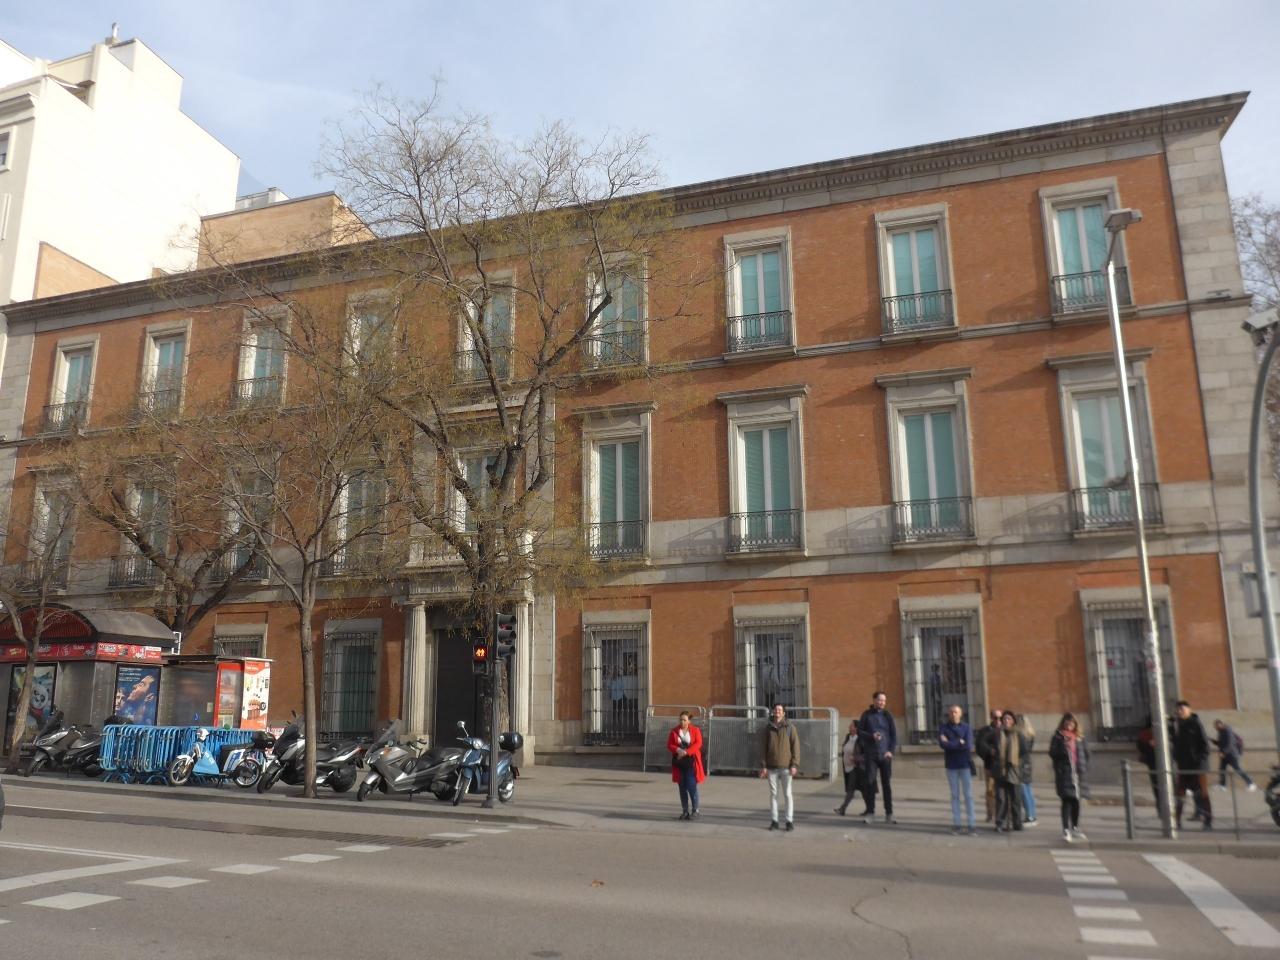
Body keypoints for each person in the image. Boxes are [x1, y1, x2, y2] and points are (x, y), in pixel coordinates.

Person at [857, 690, 898, 825]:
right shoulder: (866, 715)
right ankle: (870, 813)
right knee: (870, 783)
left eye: (884, 701)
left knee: (887, 785)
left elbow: (893, 735)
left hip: (885, 755)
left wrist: (890, 751)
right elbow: (859, 732)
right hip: (871, 755)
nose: (882, 703)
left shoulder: (888, 715)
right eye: (880, 700)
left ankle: (889, 814)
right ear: (874, 700)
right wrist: (871, 736)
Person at [1171, 700, 1212, 830]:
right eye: (1178, 710)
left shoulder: (1196, 724)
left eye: (1182, 709)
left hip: (1197, 767)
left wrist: (1200, 762)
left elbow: (1205, 746)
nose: (1179, 712)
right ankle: (1176, 822)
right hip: (1183, 766)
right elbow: (1175, 744)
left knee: (1202, 794)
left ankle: (1208, 821)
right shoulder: (1177, 725)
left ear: (1189, 710)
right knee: (1180, 795)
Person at [1049, 712, 1089, 843]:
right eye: (1067, 723)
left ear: (1075, 724)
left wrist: (1084, 767)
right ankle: (1066, 829)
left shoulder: (1079, 737)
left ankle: (1075, 827)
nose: (1069, 725)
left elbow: (1086, 754)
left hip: (1078, 773)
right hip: (1065, 773)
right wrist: (1063, 747)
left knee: (1076, 801)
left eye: (1071, 723)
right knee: (1066, 801)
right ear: (1063, 723)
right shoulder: (1058, 737)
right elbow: (1052, 753)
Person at [760, 702, 800, 831]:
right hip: (771, 767)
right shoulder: (768, 728)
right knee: (773, 794)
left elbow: (796, 747)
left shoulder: (790, 728)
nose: (777, 711)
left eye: (780, 710)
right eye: (776, 709)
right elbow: (763, 748)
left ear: (784, 713)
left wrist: (794, 764)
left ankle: (789, 821)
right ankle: (774, 821)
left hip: (786, 767)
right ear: (773, 712)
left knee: (787, 794)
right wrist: (763, 765)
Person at [938, 703, 975, 835]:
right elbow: (943, 745)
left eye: (956, 712)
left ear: (961, 714)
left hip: (965, 764)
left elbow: (968, 745)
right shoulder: (943, 728)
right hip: (951, 765)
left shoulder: (967, 727)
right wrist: (959, 742)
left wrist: (951, 743)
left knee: (968, 795)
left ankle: (971, 824)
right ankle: (957, 823)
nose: (953, 714)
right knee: (954, 795)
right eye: (951, 712)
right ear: (948, 714)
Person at [668, 711, 705, 820]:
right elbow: (669, 744)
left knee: (691, 785)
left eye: (684, 720)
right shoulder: (674, 731)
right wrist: (677, 749)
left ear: (689, 721)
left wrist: (687, 752)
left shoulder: (695, 730)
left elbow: (698, 743)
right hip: (679, 762)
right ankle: (685, 811)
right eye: (680, 719)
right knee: (682, 787)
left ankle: (695, 810)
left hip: (691, 762)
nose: (682, 722)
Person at [994, 710, 1026, 833]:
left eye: (1009, 719)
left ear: (1013, 721)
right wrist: (991, 753)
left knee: (1015, 798)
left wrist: (1018, 762)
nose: (1006, 721)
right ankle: (1000, 822)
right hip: (1000, 770)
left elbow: (1025, 751)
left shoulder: (1018, 734)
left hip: (1014, 770)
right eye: (1005, 719)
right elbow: (983, 744)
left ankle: (1017, 823)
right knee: (1001, 798)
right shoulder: (997, 733)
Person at [834, 719, 870, 817]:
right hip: (848, 768)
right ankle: (869, 809)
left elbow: (866, 754)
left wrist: (856, 758)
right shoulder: (848, 737)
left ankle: (842, 809)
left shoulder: (861, 739)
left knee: (851, 789)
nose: (849, 727)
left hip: (857, 767)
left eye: (851, 726)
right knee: (862, 790)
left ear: (856, 728)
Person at [975, 709, 1004, 823]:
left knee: (1002, 792)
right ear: (991, 718)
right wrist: (988, 753)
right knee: (990, 790)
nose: (998, 720)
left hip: (1004, 766)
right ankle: (990, 814)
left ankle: (1001, 814)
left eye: (1000, 718)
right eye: (995, 718)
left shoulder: (1005, 729)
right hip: (990, 765)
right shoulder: (985, 731)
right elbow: (979, 747)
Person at [1213, 718, 1257, 792]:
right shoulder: (1220, 732)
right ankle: (1222, 786)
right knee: (1222, 770)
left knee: (1238, 770)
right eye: (1215, 726)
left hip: (1232, 755)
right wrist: (1214, 742)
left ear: (1221, 724)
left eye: (1216, 726)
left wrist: (1223, 752)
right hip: (1225, 756)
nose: (1215, 728)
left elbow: (1230, 743)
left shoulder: (1228, 730)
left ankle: (1251, 784)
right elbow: (1221, 743)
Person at [1018, 713, 1037, 826]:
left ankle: (1029, 816)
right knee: (1028, 790)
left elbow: (1022, 750)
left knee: (1024, 791)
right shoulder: (1030, 734)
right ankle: (1032, 815)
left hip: (1022, 764)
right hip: (1028, 763)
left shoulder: (1021, 735)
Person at [1136, 715, 1160, 805]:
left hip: (1162, 762)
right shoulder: (1145, 733)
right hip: (1152, 761)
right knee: (1156, 785)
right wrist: (1149, 744)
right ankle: (1160, 804)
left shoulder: (1166, 730)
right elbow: (1140, 746)